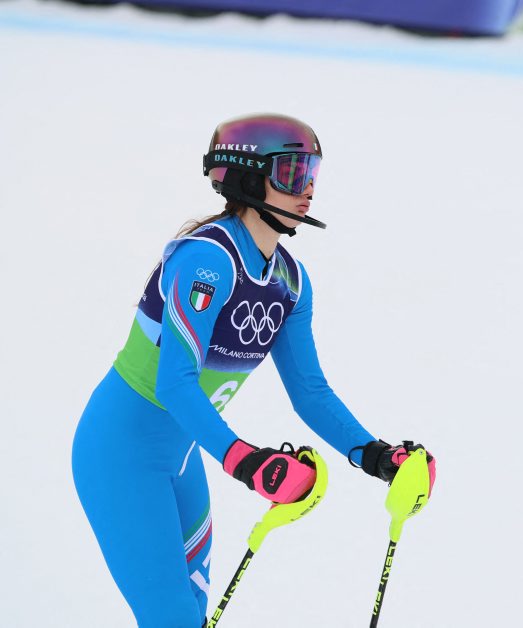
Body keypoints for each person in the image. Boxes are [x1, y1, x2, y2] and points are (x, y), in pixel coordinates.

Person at [72, 113, 436, 628]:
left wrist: (375, 456)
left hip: (181, 459)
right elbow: (173, 383)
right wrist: (246, 461)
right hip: (119, 455)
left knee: (192, 616)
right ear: (246, 177)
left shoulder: (290, 281)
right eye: (291, 173)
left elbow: (310, 392)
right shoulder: (206, 261)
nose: (307, 190)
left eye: (311, 174)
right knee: (172, 619)